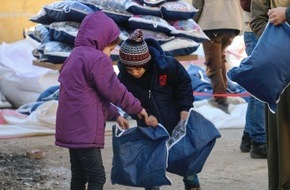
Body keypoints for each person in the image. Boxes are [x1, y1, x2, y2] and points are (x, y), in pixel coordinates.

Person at [55, 12, 149, 190]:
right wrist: (136, 107)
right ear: (101, 40)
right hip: (84, 129)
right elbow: (114, 90)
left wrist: (115, 114)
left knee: (79, 176)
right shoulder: (97, 59)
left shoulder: (74, 56)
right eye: (110, 48)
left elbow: (90, 95)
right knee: (97, 177)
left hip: (70, 126)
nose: (109, 54)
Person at [117, 29, 200, 190]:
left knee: (186, 156)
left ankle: (192, 184)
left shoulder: (167, 66)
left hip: (176, 120)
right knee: (151, 160)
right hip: (148, 127)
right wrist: (144, 114)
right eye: (130, 69)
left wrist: (185, 107)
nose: (135, 73)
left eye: (139, 68)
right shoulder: (123, 78)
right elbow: (127, 101)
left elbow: (183, 85)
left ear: (147, 62)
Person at [251, 1, 290, 189]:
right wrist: (277, 46)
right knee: (282, 143)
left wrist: (288, 14)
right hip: (280, 70)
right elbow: (257, 20)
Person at [192, 0, 243, 114]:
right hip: (233, 24)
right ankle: (223, 95)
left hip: (212, 24)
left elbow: (197, 5)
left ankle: (220, 101)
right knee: (219, 60)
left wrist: (192, 25)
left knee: (213, 65)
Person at [239, 0, 267, 159]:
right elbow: (246, 4)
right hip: (258, 29)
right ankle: (259, 141)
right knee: (261, 86)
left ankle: (250, 136)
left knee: (257, 87)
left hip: (256, 28)